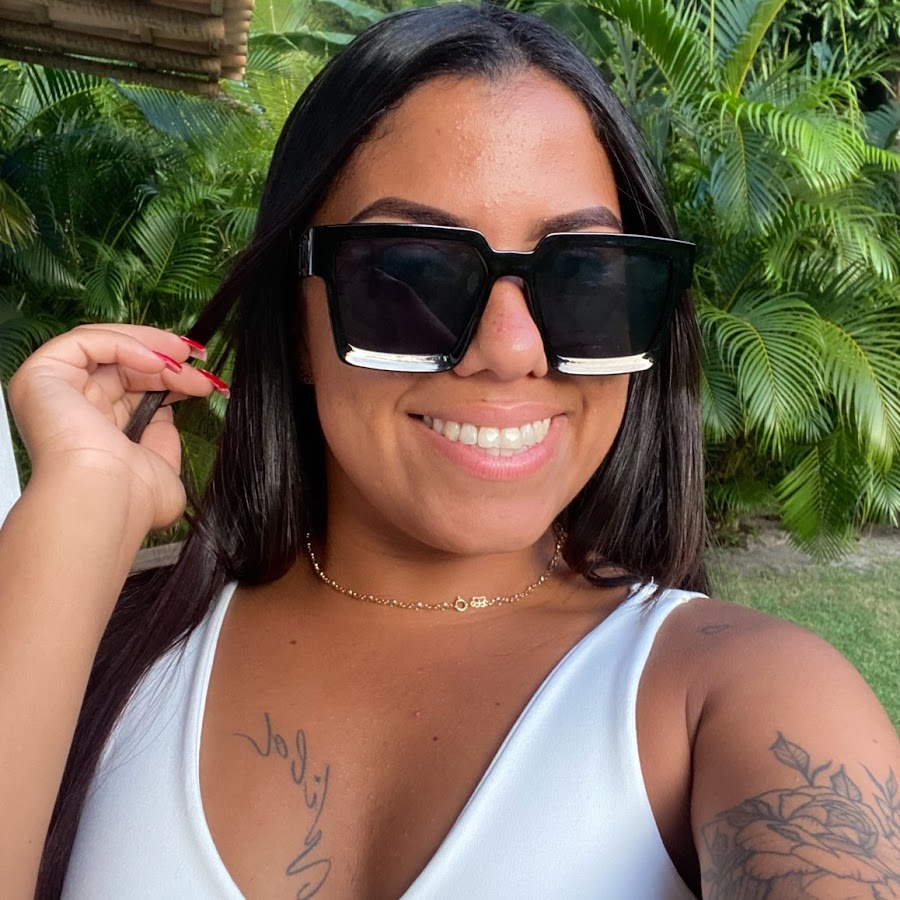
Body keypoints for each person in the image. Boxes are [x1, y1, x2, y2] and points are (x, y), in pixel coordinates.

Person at [2, 4, 898, 898]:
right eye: (411, 275)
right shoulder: (103, 642)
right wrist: (80, 509)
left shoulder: (743, 698)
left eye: (584, 276)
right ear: (299, 321)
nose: (511, 350)